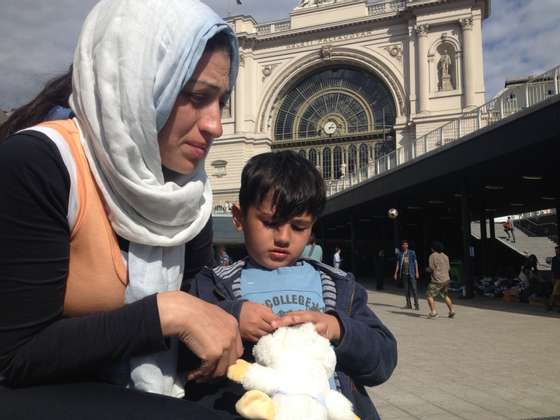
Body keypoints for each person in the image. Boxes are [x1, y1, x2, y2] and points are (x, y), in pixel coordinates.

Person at [0, 0, 244, 418]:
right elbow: (14, 357)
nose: (215, 126)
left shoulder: (187, 195)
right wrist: (167, 312)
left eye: (221, 101)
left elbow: (188, 324)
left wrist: (237, 320)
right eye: (196, 97)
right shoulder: (39, 164)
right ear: (138, 86)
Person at [188, 151, 397, 420]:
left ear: (312, 228)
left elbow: (383, 360)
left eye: (298, 226)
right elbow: (187, 357)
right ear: (239, 217)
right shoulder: (214, 283)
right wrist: (231, 317)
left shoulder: (338, 286)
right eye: (269, 222)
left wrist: (339, 328)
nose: (283, 237)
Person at [426, 241, 455, 319]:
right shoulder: (445, 256)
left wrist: (427, 270)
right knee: (445, 295)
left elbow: (431, 268)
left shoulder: (432, 256)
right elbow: (448, 268)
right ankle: (451, 311)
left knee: (429, 295)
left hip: (437, 280)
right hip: (446, 279)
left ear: (433, 248)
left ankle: (433, 313)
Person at [394, 240, 420, 310]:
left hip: (411, 273)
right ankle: (408, 305)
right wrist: (396, 273)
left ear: (407, 246)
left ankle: (417, 305)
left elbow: (415, 262)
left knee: (414, 289)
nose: (405, 246)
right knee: (406, 290)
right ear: (402, 246)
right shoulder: (400, 254)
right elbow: (398, 264)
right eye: (403, 244)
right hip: (404, 274)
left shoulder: (412, 252)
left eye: (406, 244)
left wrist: (417, 272)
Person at [546, 246, 560, 311]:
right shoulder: (554, 259)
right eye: (556, 251)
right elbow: (552, 269)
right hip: (556, 277)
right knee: (555, 293)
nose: (556, 252)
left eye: (557, 251)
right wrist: (552, 278)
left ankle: (550, 305)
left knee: (554, 292)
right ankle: (551, 305)